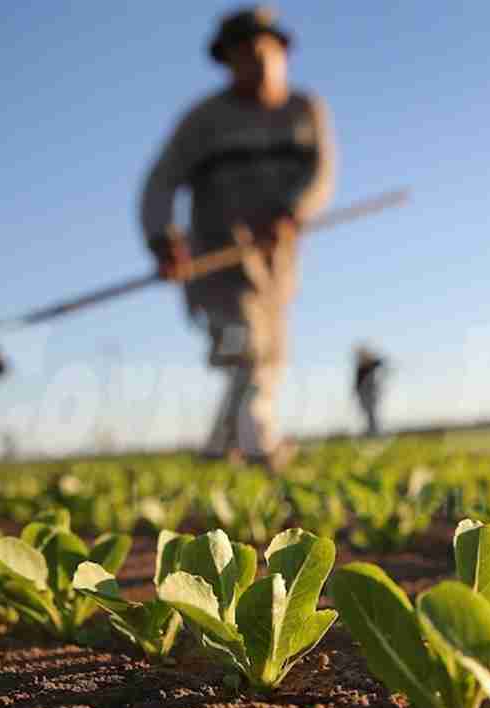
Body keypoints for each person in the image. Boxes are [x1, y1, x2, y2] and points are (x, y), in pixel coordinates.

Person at [140, 7, 335, 468]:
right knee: (245, 350)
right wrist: (162, 238)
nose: (256, 62)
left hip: (275, 264)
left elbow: (320, 174)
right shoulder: (203, 121)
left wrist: (292, 211)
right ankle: (259, 446)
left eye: (264, 51)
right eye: (243, 55)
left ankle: (216, 449)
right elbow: (160, 183)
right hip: (216, 263)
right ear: (227, 62)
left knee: (268, 355)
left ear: (283, 53)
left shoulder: (305, 111)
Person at [353, 345, 386, 436]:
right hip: (362, 394)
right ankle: (371, 430)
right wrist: (355, 392)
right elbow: (357, 382)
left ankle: (374, 431)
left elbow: (380, 362)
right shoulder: (360, 367)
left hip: (371, 393)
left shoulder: (371, 364)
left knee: (371, 413)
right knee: (367, 413)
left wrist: (370, 357)